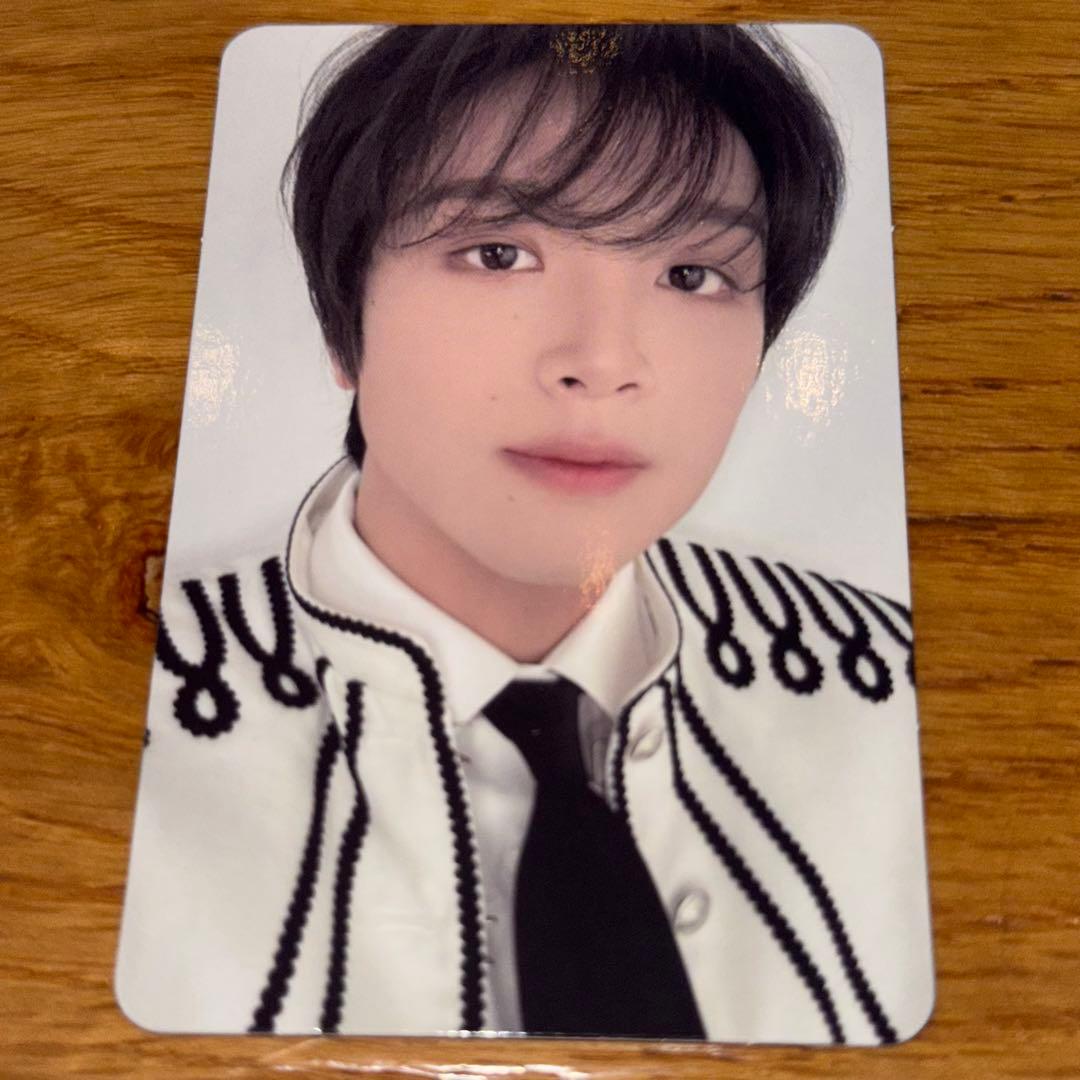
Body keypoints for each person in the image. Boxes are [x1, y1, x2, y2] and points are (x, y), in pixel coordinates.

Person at [116, 24, 933, 1044]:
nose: (603, 360)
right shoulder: (114, 704)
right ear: (342, 319)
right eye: (498, 254)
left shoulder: (891, 680)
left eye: (691, 274)